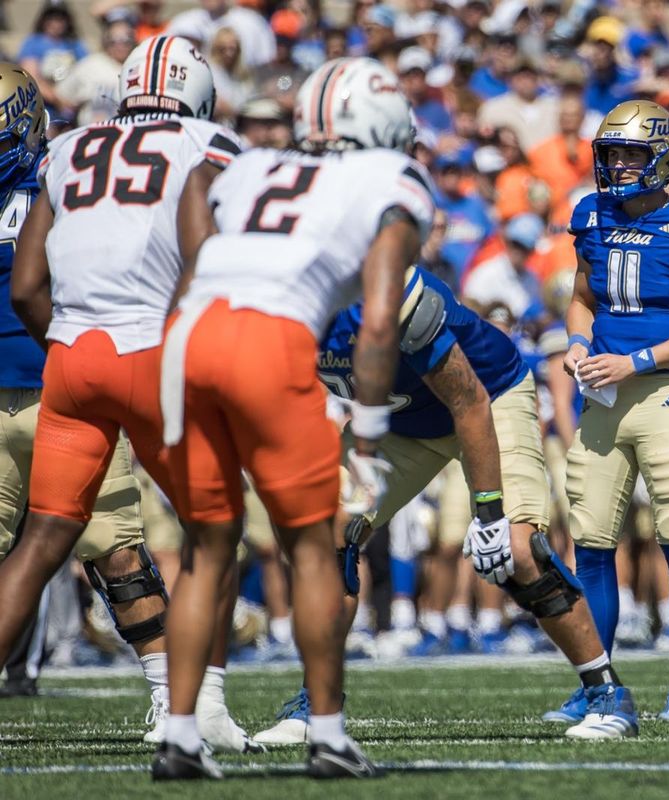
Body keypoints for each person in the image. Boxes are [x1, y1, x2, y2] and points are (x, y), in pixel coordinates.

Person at [159, 56, 434, 779]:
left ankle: (180, 734)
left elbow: (194, 254)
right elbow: (378, 323)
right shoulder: (393, 179)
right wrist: (369, 437)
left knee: (206, 548)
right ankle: (330, 736)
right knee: (313, 549)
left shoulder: (249, 166)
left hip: (188, 335)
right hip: (270, 338)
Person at [1, 42, 257, 753]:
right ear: (199, 95)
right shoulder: (209, 143)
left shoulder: (68, 148)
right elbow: (213, 252)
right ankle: (201, 709)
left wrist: (73, 345)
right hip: (153, 353)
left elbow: (26, 288)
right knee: (215, 525)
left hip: (72, 359)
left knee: (43, 540)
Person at [255, 266, 636, 744]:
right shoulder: (266, 314)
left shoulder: (391, 296)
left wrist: (490, 512)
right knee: (328, 537)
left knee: (519, 549)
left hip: (488, 398)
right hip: (395, 421)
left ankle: (606, 692)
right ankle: (318, 701)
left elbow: (469, 402)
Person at [555, 99, 669, 724]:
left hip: (664, 394)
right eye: (613, 153)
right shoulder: (592, 214)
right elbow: (581, 300)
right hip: (601, 398)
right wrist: (577, 343)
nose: (621, 165)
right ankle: (598, 684)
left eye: (633, 152)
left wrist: (637, 360)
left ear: (661, 154)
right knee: (592, 543)